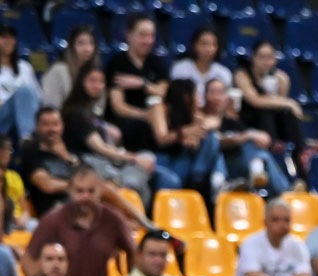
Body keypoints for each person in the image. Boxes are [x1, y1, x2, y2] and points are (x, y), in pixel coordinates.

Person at [24, 165, 136, 276]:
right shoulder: (52, 220)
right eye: (79, 191)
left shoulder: (113, 220)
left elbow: (134, 252)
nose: (85, 197)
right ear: (69, 190)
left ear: (101, 190)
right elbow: (28, 259)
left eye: (91, 191)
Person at [62, 64, 164, 206]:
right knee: (137, 179)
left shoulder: (92, 111)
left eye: (101, 82)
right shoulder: (78, 113)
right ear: (80, 82)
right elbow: (100, 148)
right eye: (92, 81)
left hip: (105, 163)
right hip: (90, 165)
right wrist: (134, 158)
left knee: (150, 160)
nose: (97, 86)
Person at [201, 78, 290, 194]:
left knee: (260, 152)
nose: (217, 97)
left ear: (227, 97)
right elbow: (217, 141)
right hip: (212, 167)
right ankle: (284, 191)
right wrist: (246, 136)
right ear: (205, 96)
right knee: (246, 140)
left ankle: (262, 175)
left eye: (221, 93)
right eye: (213, 93)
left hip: (237, 165)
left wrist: (254, 135)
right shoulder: (200, 117)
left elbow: (258, 137)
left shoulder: (231, 121)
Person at [234, 40, 307, 179]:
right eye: (261, 57)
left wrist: (280, 100)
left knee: (287, 113)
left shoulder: (281, 78)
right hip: (249, 121)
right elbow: (255, 101)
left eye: (270, 57)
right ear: (253, 57)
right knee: (266, 110)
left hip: (274, 123)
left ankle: (301, 153)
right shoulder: (242, 75)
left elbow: (279, 106)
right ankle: (272, 146)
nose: (266, 62)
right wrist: (290, 103)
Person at [105, 14, 170, 154]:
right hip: (129, 120)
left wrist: (143, 84)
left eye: (151, 36)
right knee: (139, 128)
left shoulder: (156, 62)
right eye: (143, 35)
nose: (148, 40)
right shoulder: (118, 64)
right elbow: (118, 106)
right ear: (129, 35)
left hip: (154, 117)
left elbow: (165, 91)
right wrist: (145, 115)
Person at [149, 79, 222, 193]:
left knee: (211, 137)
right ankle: (211, 178)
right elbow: (161, 139)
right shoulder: (161, 108)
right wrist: (183, 132)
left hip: (182, 158)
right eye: (196, 95)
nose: (198, 99)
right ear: (186, 96)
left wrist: (197, 133)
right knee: (173, 182)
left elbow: (215, 121)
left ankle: (214, 178)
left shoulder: (191, 112)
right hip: (161, 159)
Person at [20, 107, 79, 215]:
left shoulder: (69, 150)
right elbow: (47, 185)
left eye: (56, 124)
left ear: (62, 126)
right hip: (54, 210)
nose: (52, 129)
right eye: (46, 124)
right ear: (37, 127)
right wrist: (78, 187)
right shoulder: (30, 153)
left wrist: (66, 157)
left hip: (79, 203)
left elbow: (87, 177)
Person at [41, 25, 102, 112]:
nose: (87, 49)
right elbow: (51, 107)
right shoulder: (58, 70)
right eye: (81, 43)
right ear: (72, 46)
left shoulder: (96, 72)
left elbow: (98, 108)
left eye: (91, 43)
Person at [0, 25, 40, 144]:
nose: (8, 41)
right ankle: (27, 140)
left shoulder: (25, 67)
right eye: (4, 37)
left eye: (11, 38)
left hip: (24, 114)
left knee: (26, 91)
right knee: (24, 91)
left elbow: (38, 97)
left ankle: (27, 139)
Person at [170, 27, 232, 102]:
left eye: (213, 44)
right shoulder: (180, 69)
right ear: (194, 45)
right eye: (204, 44)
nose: (209, 49)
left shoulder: (224, 72)